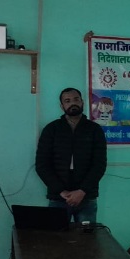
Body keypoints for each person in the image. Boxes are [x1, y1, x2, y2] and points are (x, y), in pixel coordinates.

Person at [36, 87, 107, 224]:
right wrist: (61, 191)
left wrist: (82, 191)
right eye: (67, 101)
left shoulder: (94, 130)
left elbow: (99, 165)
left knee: (86, 237)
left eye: (76, 99)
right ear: (61, 106)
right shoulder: (51, 129)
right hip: (58, 197)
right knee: (56, 236)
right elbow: (42, 165)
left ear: (82, 102)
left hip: (86, 196)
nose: (72, 103)